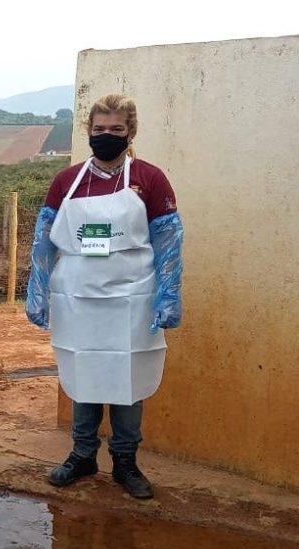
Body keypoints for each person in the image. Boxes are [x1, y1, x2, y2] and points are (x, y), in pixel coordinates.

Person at [25, 93, 184, 499]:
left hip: (132, 298)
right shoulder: (68, 180)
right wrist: (38, 287)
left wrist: (168, 293)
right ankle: (82, 455)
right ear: (88, 131)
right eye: (99, 129)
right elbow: (44, 238)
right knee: (84, 374)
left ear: (130, 131)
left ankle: (126, 462)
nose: (107, 136)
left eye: (116, 129)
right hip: (77, 297)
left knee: (127, 379)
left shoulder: (149, 178)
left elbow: (168, 239)